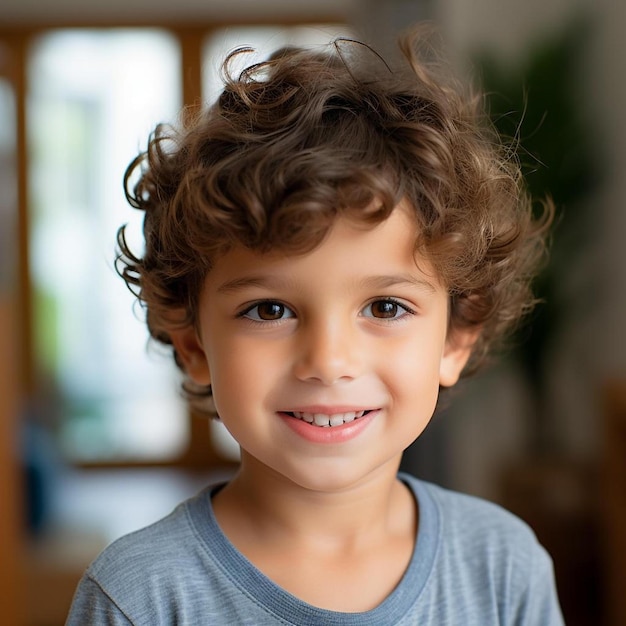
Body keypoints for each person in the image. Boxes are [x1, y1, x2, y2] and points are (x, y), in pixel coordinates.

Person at [66, 26, 564, 625]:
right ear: (194, 345)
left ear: (456, 338)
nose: (329, 361)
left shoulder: (503, 565)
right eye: (270, 310)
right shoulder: (140, 596)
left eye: (385, 307)